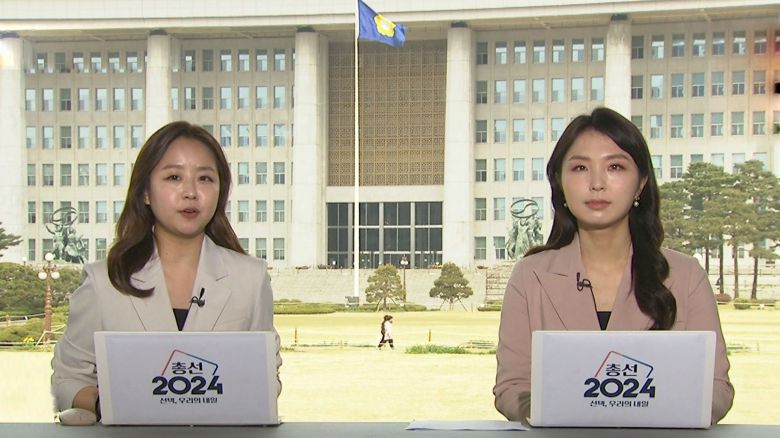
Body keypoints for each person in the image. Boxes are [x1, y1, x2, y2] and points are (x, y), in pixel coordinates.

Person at [493, 107, 733, 425]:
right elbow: (511, 387)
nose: (597, 183)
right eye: (580, 168)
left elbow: (716, 390)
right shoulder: (530, 276)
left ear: (641, 183)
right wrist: (546, 409)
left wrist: (648, 410)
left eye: (615, 167)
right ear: (559, 182)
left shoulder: (686, 276)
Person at [51, 121, 282, 417]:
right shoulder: (104, 281)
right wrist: (114, 404)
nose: (191, 192)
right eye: (174, 177)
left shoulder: (250, 278)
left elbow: (266, 377)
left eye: (205, 178)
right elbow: (67, 380)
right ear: (145, 193)